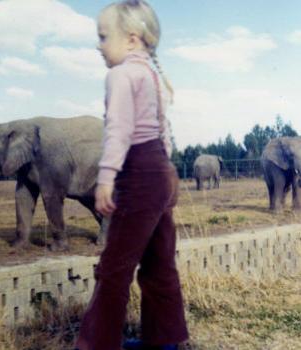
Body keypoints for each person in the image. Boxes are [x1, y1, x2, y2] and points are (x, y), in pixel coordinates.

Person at [75, 1, 189, 349]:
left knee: (115, 267)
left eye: (104, 36)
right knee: (158, 261)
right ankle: (164, 340)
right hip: (159, 170)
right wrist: (166, 172)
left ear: (132, 40)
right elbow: (163, 132)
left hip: (137, 172)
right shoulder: (152, 76)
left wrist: (106, 177)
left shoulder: (121, 74)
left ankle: (98, 343)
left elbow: (118, 131)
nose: (98, 44)